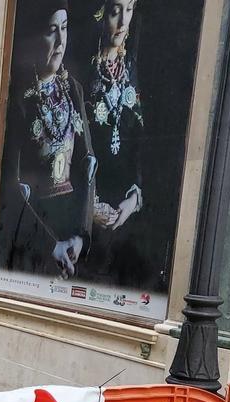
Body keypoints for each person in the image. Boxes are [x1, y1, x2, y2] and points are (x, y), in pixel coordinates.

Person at [0, 0, 96, 279]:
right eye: (52, 30)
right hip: (34, 233)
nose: (61, 40)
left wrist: (81, 236)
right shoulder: (18, 101)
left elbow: (87, 166)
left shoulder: (73, 90)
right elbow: (10, 185)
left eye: (65, 28)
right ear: (35, 36)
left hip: (71, 231)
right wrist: (48, 244)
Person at [84, 0, 145, 284]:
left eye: (129, 10)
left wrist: (133, 199)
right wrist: (86, 206)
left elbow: (140, 141)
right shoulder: (80, 70)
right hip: (84, 217)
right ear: (101, 14)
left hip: (125, 212)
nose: (122, 21)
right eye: (115, 11)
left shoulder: (130, 67)